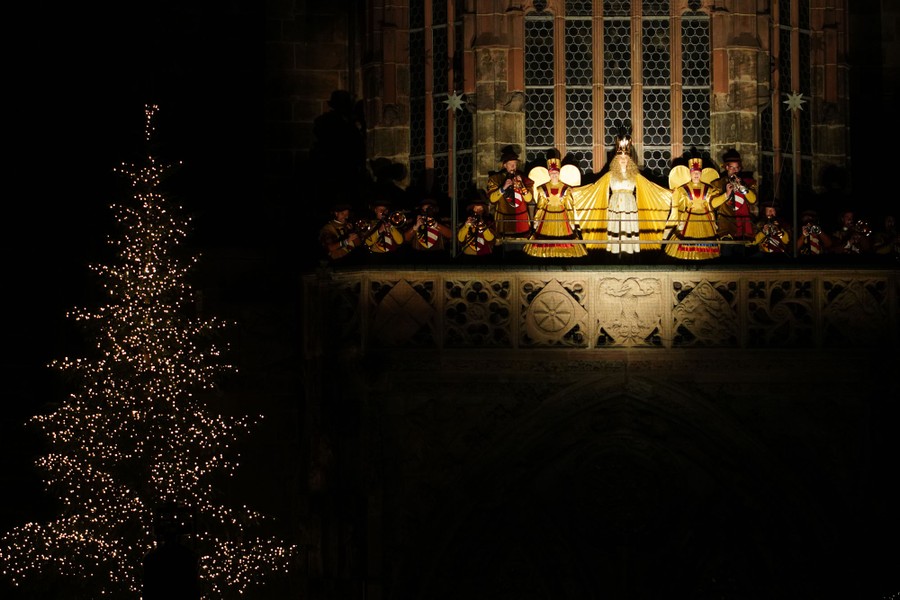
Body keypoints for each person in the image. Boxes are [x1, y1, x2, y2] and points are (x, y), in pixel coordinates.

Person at [570, 134, 672, 254]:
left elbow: (651, 187)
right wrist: (576, 192)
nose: (623, 159)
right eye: (620, 157)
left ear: (629, 160)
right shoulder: (610, 175)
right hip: (615, 206)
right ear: (616, 159)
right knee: (615, 230)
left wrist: (668, 193)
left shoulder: (635, 176)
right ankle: (614, 256)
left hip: (630, 206)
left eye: (625, 157)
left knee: (628, 229)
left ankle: (630, 255)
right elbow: (594, 187)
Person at [522, 155, 587, 258]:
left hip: (562, 217)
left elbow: (569, 207)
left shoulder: (566, 188)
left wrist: (572, 221)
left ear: (559, 173)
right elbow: (540, 207)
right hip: (546, 217)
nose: (554, 175)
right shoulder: (542, 189)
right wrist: (537, 220)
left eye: (556, 173)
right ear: (548, 173)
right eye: (552, 173)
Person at [664, 157, 721, 260]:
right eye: (694, 172)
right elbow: (679, 207)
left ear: (701, 173)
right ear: (689, 173)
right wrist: (679, 220)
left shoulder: (709, 188)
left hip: (705, 219)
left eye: (698, 172)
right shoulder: (682, 189)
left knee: (708, 248)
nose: (696, 175)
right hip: (688, 218)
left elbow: (711, 205)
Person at [711, 148, 758, 258]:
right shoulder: (718, 183)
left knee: (740, 258)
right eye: (732, 168)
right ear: (727, 167)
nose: (734, 171)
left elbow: (753, 200)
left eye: (737, 168)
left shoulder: (748, 182)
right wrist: (726, 194)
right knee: (726, 256)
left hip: (742, 225)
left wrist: (743, 187)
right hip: (726, 225)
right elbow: (713, 204)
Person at [486, 147, 534, 245]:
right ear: (505, 165)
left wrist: (522, 186)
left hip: (521, 221)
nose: (513, 166)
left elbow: (529, 199)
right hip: (504, 221)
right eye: (511, 164)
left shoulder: (523, 178)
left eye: (515, 164)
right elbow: (492, 199)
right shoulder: (495, 179)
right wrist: (503, 188)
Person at [457, 192, 497, 257]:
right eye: (476, 208)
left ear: (484, 209)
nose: (478, 211)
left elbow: (491, 240)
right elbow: (460, 239)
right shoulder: (467, 219)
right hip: (467, 255)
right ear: (472, 208)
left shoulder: (489, 220)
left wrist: (483, 227)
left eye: (480, 209)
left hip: (485, 255)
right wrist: (466, 226)